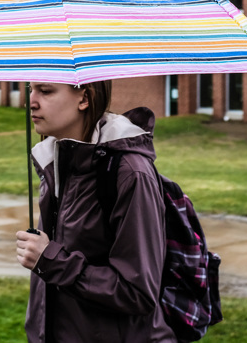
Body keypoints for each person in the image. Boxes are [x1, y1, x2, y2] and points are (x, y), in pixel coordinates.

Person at [16, 81, 176, 342]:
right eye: (30, 90)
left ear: (84, 99)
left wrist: (51, 261)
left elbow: (138, 293)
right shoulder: (57, 162)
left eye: (45, 91)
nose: (30, 102)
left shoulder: (130, 173)